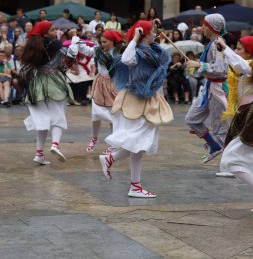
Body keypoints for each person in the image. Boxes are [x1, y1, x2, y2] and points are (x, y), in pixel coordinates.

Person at [100, 20, 174, 198]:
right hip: (135, 100)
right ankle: (111, 159)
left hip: (147, 100)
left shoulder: (152, 52)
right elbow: (125, 59)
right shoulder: (137, 53)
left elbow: (163, 56)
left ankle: (135, 186)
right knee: (140, 141)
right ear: (144, 33)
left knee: (140, 145)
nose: (155, 33)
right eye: (153, 31)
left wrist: (153, 30)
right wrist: (135, 38)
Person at [21, 21, 78, 165]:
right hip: (54, 82)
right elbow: (70, 57)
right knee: (58, 115)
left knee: (42, 121)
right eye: (52, 29)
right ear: (45, 33)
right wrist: (75, 41)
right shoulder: (55, 44)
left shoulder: (34, 46)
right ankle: (55, 145)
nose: (55, 31)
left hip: (37, 83)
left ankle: (39, 154)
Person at [185, 14, 228, 163]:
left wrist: (199, 65)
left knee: (220, 128)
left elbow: (222, 69)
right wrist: (198, 64)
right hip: (208, 87)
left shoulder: (218, 44)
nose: (202, 28)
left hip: (218, 89)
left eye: (204, 25)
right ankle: (214, 146)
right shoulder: (211, 44)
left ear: (212, 27)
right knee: (192, 119)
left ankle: (230, 165)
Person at [75, 30, 123, 152]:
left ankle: (114, 143)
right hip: (100, 84)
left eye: (105, 42)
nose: (102, 44)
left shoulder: (118, 54)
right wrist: (79, 43)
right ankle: (94, 138)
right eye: (101, 42)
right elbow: (87, 51)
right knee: (95, 115)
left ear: (112, 42)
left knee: (114, 116)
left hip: (114, 85)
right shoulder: (98, 51)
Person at [217, 36, 253, 187]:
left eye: (239, 48)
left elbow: (242, 66)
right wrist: (224, 51)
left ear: (249, 53)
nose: (236, 51)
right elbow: (236, 66)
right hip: (245, 115)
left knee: (230, 159)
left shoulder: (250, 65)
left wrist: (226, 48)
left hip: (250, 116)